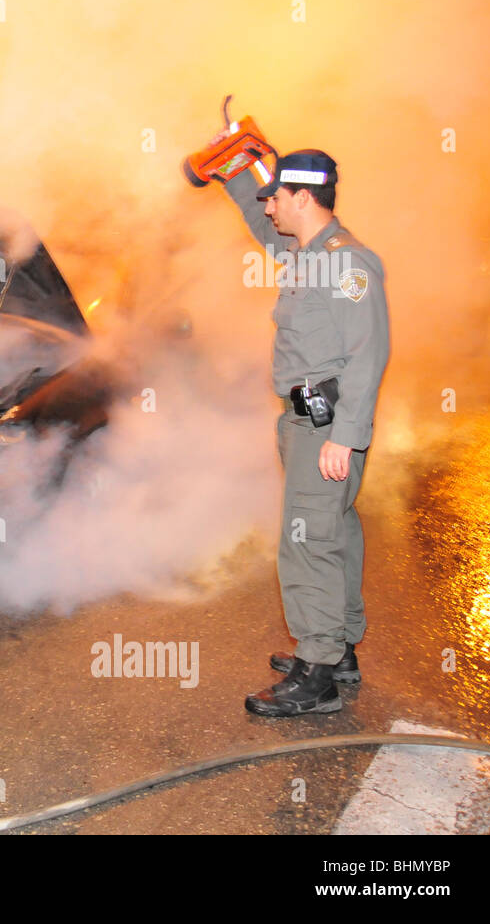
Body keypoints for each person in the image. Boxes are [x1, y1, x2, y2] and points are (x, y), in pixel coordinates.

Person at [215, 148, 390, 716]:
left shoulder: (348, 264)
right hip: (304, 422)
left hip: (326, 427)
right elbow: (262, 230)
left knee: (307, 541)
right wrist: (238, 170)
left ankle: (316, 675)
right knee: (332, 531)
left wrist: (346, 434)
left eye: (276, 199)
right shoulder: (305, 254)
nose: (269, 211)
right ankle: (337, 652)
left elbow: (368, 355)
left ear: (304, 198)